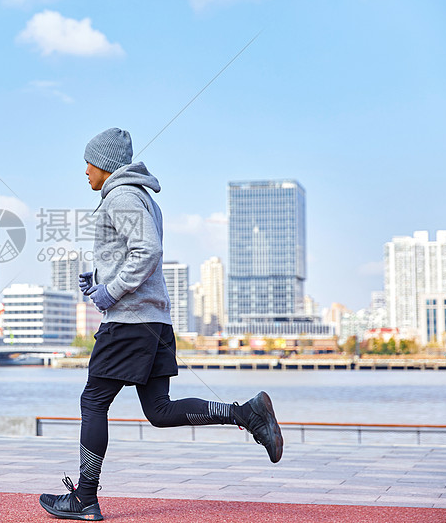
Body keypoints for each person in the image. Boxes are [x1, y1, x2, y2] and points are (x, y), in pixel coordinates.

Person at [39, 128, 284, 521]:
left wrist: (111, 292)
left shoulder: (120, 196)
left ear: (104, 163)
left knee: (93, 401)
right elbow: (139, 254)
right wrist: (101, 282)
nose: (84, 170)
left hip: (129, 323)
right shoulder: (144, 200)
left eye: (88, 162)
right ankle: (246, 414)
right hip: (153, 320)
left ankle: (84, 498)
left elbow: (148, 250)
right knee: (158, 410)